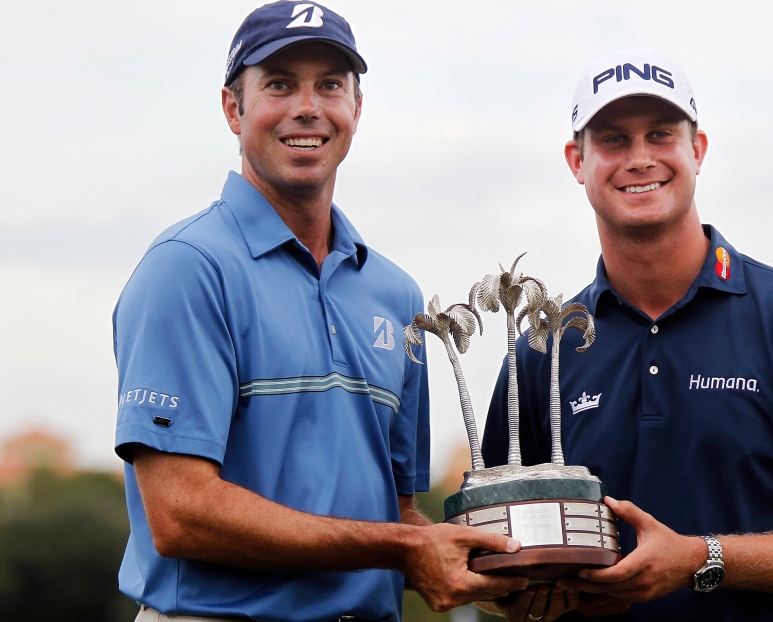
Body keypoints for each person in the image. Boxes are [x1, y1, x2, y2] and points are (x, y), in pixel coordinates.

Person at [112, 2, 528, 620]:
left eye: (330, 85)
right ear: (234, 108)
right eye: (279, 84)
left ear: (356, 108)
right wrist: (406, 547)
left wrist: (512, 562)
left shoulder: (397, 295)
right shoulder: (189, 267)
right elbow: (179, 515)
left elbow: (398, 511)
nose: (308, 106)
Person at [481, 48, 773, 621]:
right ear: (575, 160)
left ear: (697, 150)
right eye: (612, 139)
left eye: (660, 134)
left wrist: (702, 559)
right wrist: (529, 591)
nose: (639, 158)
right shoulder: (542, 348)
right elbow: (499, 555)